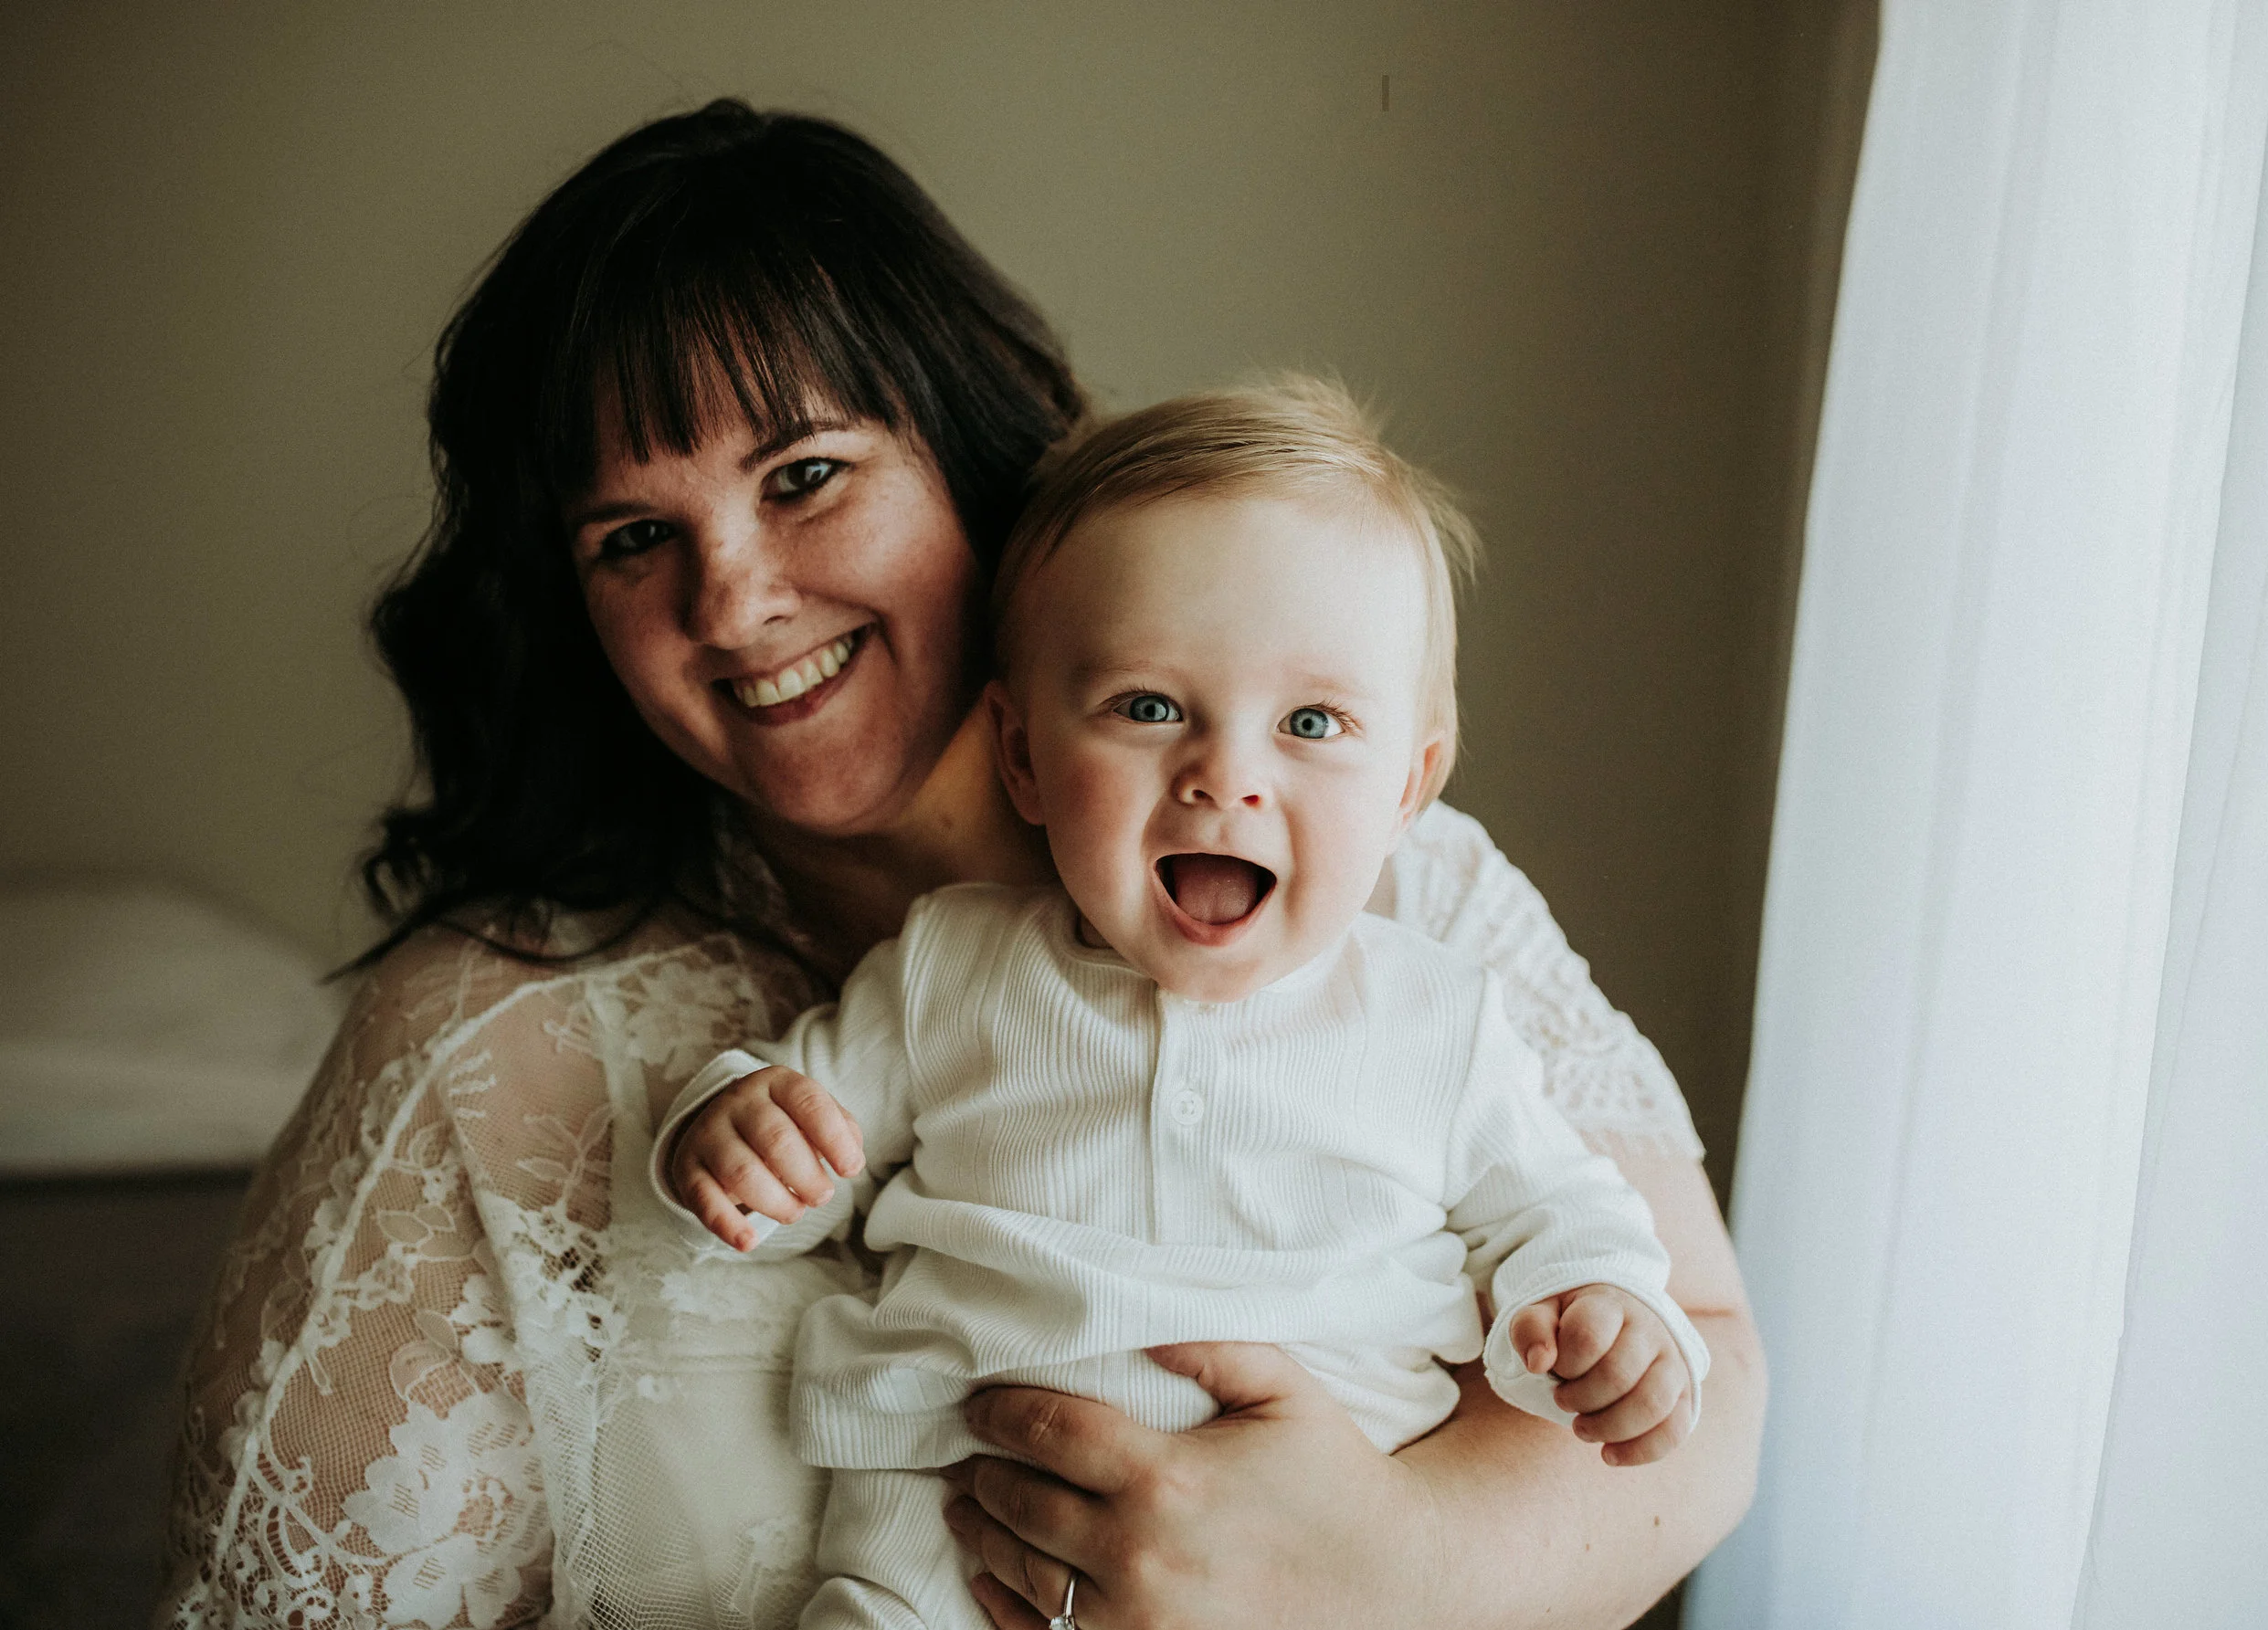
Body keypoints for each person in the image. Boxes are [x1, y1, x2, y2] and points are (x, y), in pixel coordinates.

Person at [158, 100, 1763, 1630]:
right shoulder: (490, 1046)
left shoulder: (1399, 900)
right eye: (632, 539)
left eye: (804, 476)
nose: (730, 602)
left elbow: (1700, 1368)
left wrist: (1392, 1566)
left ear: (971, 450)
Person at [656, 379, 1714, 1630]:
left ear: (1409, 789)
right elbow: (796, 1160)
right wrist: (731, 1132)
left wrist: (1600, 1313)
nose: (1227, 777)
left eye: (1313, 722)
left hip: (1310, 1558)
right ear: (1024, 757)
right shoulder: (954, 966)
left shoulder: (1438, 1017)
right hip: (945, 1533)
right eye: (1149, 708)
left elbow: (1560, 1207)